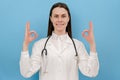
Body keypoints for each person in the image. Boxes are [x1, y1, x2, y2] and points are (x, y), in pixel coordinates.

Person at [20, 2, 99, 80]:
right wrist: (25, 45)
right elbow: (26, 72)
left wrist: (92, 45)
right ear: (51, 19)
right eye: (56, 16)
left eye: (63, 16)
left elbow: (91, 72)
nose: (60, 20)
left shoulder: (78, 45)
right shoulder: (40, 45)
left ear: (68, 18)